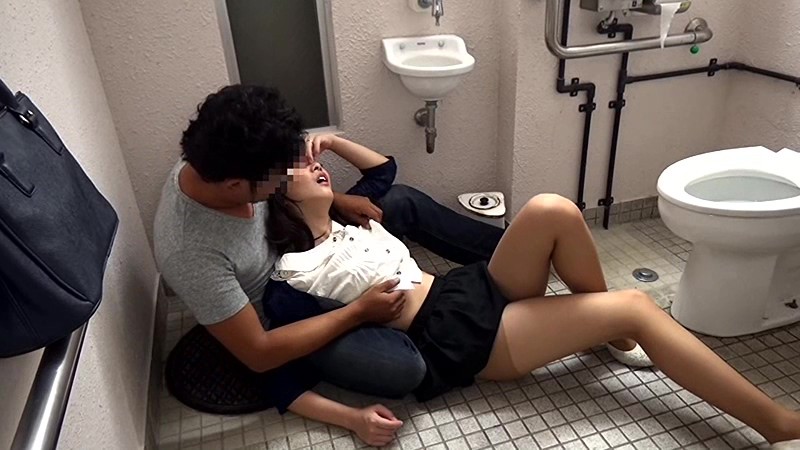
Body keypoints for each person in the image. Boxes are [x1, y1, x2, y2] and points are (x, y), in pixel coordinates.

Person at [265, 132, 800, 448]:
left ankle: (609, 337)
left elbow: (384, 169)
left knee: (552, 209)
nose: (316, 167)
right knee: (634, 307)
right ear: (279, 199)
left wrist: (333, 141)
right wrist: (353, 420)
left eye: (314, 161)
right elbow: (278, 373)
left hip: (464, 289)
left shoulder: (353, 214)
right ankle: (777, 424)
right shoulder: (294, 273)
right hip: (456, 336)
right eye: (302, 171)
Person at [153, 85, 504, 442]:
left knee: (399, 202)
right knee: (404, 369)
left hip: (306, 238)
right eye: (278, 179)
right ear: (234, 186)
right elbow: (259, 354)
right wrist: (359, 314)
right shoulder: (190, 253)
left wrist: (335, 199)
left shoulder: (228, 150)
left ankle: (508, 252)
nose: (286, 178)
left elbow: (318, 184)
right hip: (295, 309)